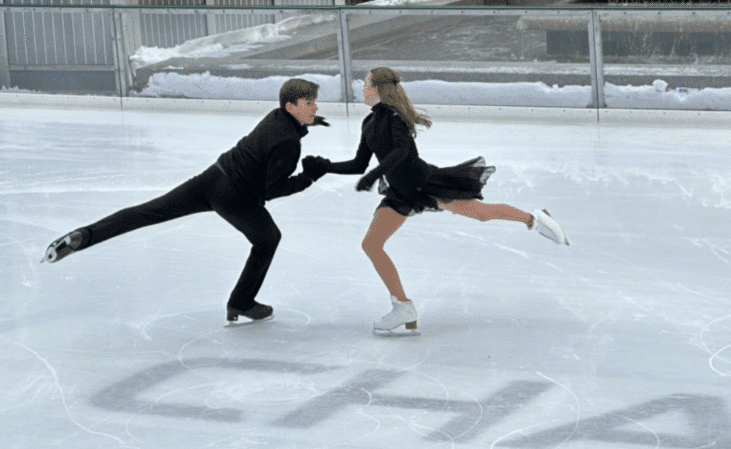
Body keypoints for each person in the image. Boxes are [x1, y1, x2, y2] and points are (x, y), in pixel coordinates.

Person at [303, 67, 569, 333]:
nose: (362, 88)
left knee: (481, 213)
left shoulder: (396, 118)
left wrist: (375, 174)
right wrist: (325, 167)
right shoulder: (369, 123)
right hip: (400, 192)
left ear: (378, 89)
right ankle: (403, 307)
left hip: (424, 185)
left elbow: (401, 152)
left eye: (366, 84)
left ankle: (534, 218)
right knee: (372, 244)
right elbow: (359, 163)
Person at [42, 78, 329, 323]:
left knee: (149, 211)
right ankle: (241, 302)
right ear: (291, 107)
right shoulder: (289, 144)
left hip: (213, 179)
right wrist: (309, 177)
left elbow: (283, 132)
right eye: (309, 104)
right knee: (268, 239)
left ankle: (88, 235)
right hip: (237, 197)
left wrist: (311, 122)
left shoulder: (275, 117)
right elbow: (271, 190)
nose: (315, 108)